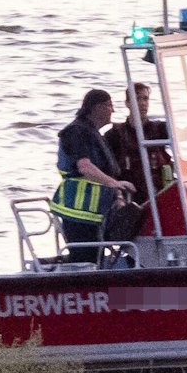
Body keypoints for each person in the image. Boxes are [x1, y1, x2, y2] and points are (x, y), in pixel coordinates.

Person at [50, 88, 137, 263]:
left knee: (95, 258)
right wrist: (115, 184)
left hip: (95, 213)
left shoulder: (94, 134)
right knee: (84, 260)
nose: (112, 110)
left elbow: (107, 171)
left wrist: (118, 196)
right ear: (96, 108)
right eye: (109, 105)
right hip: (78, 212)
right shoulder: (76, 132)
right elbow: (85, 167)